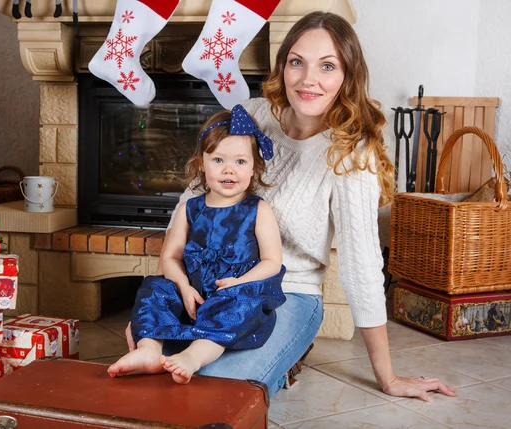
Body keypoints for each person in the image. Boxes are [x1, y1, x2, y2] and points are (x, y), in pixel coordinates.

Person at [120, 11, 457, 401]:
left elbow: (361, 264)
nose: (308, 79)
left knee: (217, 389)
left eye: (327, 66)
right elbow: (192, 202)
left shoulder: (350, 153)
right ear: (283, 67)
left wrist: (389, 377)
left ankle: (284, 352)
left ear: (348, 77)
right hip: (207, 284)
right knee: (151, 355)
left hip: (287, 293)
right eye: (297, 62)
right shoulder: (254, 117)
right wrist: (176, 289)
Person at [108, 107, 287, 384]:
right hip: (191, 291)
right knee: (154, 287)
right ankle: (149, 350)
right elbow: (171, 256)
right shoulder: (189, 209)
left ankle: (194, 355)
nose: (229, 169)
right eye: (218, 159)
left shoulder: (258, 210)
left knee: (237, 304)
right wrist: (183, 286)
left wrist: (239, 282)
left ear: (254, 167)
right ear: (202, 163)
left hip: (232, 290)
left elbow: (272, 262)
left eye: (240, 161)